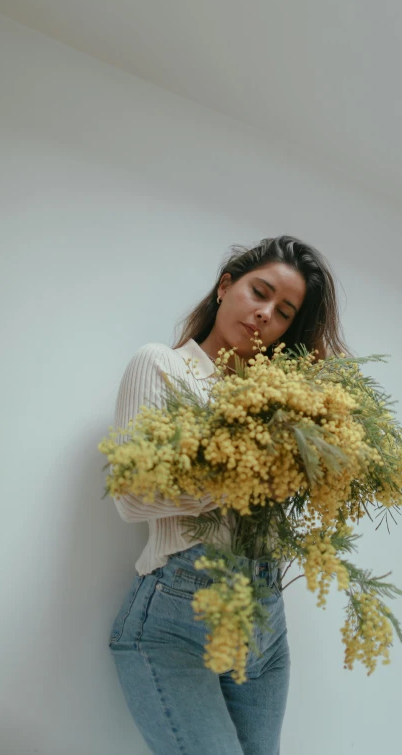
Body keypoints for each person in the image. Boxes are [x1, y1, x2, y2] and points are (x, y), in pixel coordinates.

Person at [107, 235, 351, 754]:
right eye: (258, 292)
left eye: (284, 311)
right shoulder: (161, 367)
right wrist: (244, 477)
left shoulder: (284, 409)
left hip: (265, 617)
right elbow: (132, 494)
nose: (265, 314)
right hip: (179, 615)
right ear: (225, 287)